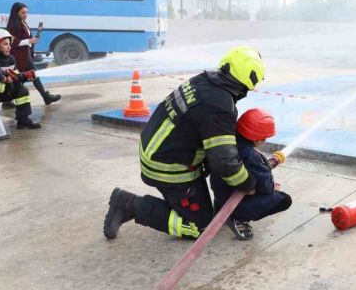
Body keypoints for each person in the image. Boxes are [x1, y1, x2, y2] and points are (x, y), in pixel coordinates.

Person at [103, 46, 265, 240]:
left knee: (209, 201)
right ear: (248, 81)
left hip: (158, 149)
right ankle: (129, 204)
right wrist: (248, 184)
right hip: (168, 167)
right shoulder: (219, 106)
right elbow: (223, 161)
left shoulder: (205, 81)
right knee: (202, 227)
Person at [211, 108, 292, 240]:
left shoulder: (227, 144)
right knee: (284, 200)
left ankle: (221, 208)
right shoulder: (252, 156)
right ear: (257, 139)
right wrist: (272, 187)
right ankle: (238, 218)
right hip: (235, 203)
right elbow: (265, 187)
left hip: (221, 194)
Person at [6, 2, 60, 105]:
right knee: (23, 77)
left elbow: (25, 39)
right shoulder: (13, 25)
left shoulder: (22, 22)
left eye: (26, 12)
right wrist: (29, 41)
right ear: (16, 13)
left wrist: (31, 41)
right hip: (19, 56)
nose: (26, 15)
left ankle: (45, 97)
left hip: (25, 55)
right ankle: (45, 97)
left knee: (31, 76)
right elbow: (13, 42)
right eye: (23, 13)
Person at [0, 28, 41, 129]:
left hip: (5, 91)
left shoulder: (11, 59)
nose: (9, 47)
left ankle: (23, 120)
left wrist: (26, 77)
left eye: (9, 44)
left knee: (22, 91)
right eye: (5, 44)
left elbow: (16, 76)